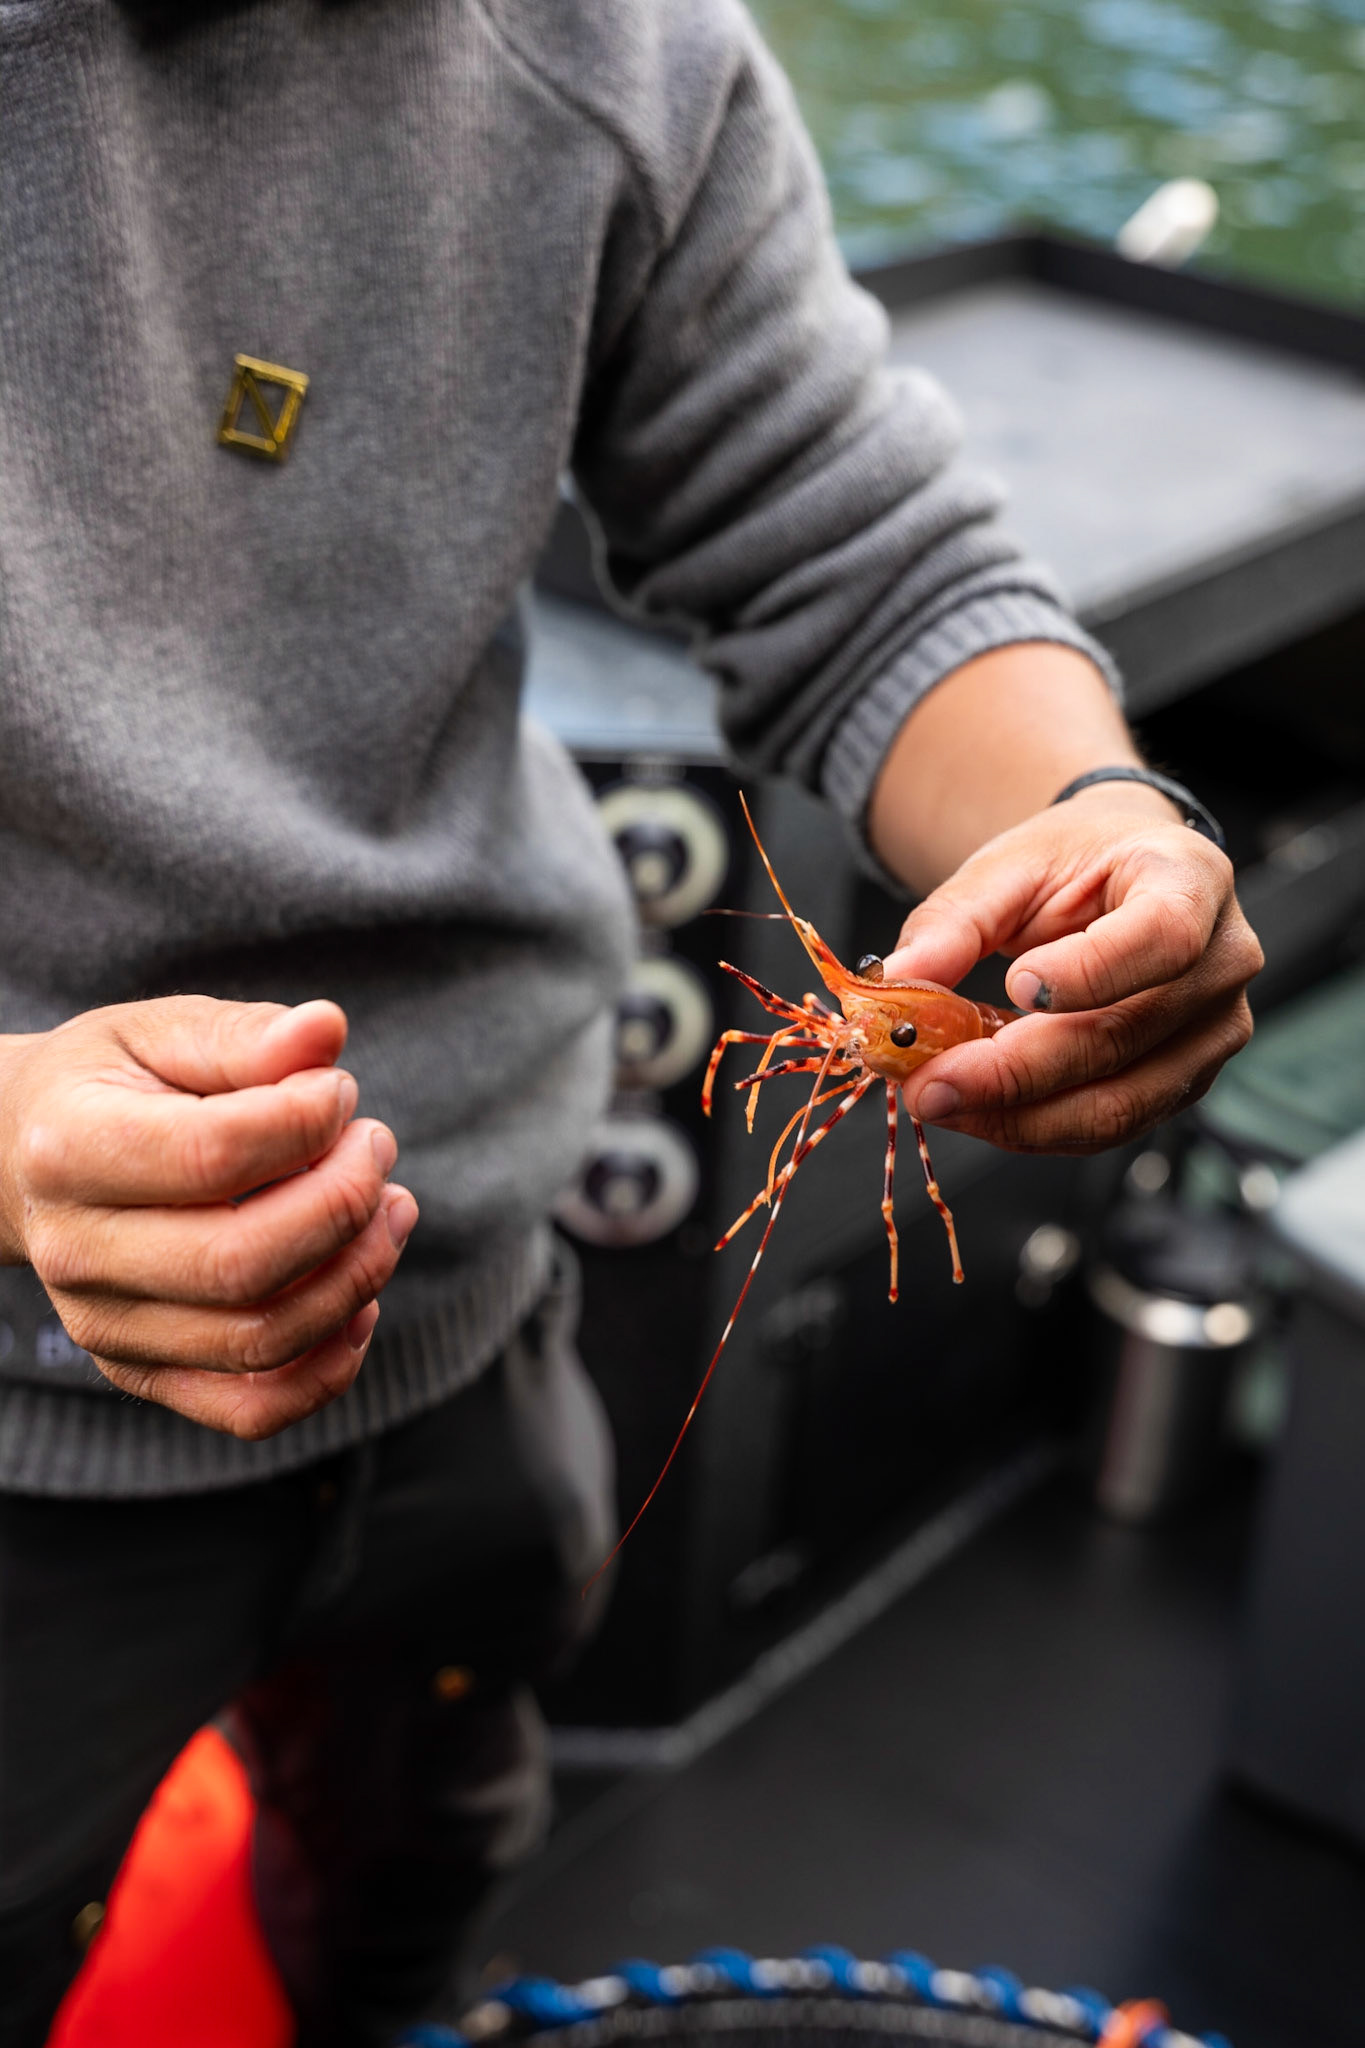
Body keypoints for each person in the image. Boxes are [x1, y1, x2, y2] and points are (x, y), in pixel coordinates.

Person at [0, 0, 1262, 2040]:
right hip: (17, 1425)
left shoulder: (613, 51)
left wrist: (1100, 820)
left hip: (473, 1318)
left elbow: (858, 547)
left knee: (425, 1847)